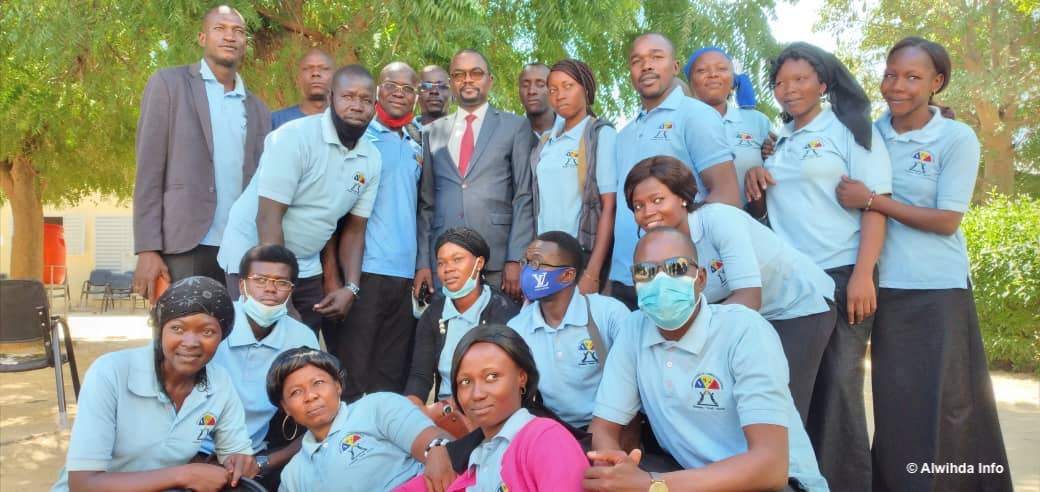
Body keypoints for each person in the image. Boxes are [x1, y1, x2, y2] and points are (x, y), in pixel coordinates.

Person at [834, 37, 1012, 491]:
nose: (897, 85)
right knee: (898, 405)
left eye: (913, 77)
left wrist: (873, 200)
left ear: (937, 83)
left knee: (948, 404)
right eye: (891, 74)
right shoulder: (870, 133)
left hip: (936, 290)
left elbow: (948, 220)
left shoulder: (955, 137)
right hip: (884, 287)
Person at [745, 41, 893, 491]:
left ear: (823, 83)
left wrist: (864, 274)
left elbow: (876, 205)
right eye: (780, 83)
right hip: (792, 284)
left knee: (839, 392)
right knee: (792, 392)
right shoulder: (778, 140)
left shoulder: (851, 131)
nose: (788, 90)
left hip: (842, 274)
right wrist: (756, 176)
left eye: (800, 80)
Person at [584, 228, 828, 492]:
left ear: (700, 279)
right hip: (689, 480)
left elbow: (770, 467)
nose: (660, 281)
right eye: (646, 272)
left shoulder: (744, 330)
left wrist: (653, 485)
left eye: (676, 268)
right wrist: (614, 464)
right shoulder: (634, 329)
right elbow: (603, 426)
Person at [624, 155, 837, 424]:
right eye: (638, 206)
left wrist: (684, 337)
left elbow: (749, 297)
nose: (648, 212)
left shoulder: (720, 220)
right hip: (752, 314)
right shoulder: (657, 246)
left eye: (657, 200)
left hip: (798, 305)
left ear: (682, 197)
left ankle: (787, 465)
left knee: (778, 407)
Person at [217, 65, 381, 339]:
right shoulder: (294, 138)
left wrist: (350, 287)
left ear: (375, 107)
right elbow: (268, 217)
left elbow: (354, 229)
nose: (357, 105)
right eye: (348, 96)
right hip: (254, 257)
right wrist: (281, 293)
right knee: (254, 343)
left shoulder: (372, 158)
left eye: (365, 100)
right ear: (331, 97)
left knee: (301, 347)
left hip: (306, 264)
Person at [53, 276, 256, 492]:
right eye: (177, 329)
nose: (190, 342)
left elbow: (236, 451)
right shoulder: (110, 373)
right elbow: (83, 484)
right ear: (160, 331)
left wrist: (238, 461)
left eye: (207, 332)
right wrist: (184, 474)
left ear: (222, 337)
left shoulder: (219, 383)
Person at [133, 5, 271, 299]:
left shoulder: (258, 108)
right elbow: (148, 171)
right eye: (219, 29)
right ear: (202, 38)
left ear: (245, 42)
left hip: (241, 249)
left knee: (235, 341)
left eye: (238, 31)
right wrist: (147, 248)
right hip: (184, 245)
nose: (229, 36)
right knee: (182, 340)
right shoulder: (169, 84)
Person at [608, 32, 739, 311]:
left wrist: (679, 251)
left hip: (676, 276)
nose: (646, 66)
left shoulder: (695, 115)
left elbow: (727, 196)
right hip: (627, 277)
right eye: (637, 60)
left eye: (656, 57)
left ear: (675, 67)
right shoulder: (624, 134)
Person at [400, 324, 588, 491]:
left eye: (492, 377)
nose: (477, 393)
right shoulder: (471, 456)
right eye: (465, 381)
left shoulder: (545, 439)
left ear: (521, 378)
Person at [415, 48, 537, 303]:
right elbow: (426, 204)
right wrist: (423, 263)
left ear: (490, 80)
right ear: (452, 83)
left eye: (476, 73)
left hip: (497, 261)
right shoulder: (432, 132)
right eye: (459, 75)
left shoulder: (515, 127)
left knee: (495, 338)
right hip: (445, 264)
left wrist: (516, 258)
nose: (467, 80)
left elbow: (524, 196)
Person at [336, 62, 424, 402]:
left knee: (391, 373)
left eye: (407, 89)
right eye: (391, 86)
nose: (399, 94)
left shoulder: (416, 140)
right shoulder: (359, 136)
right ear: (378, 91)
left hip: (404, 276)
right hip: (365, 270)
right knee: (355, 370)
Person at [202, 245, 319, 490]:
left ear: (291, 290)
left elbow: (321, 417)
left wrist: (263, 462)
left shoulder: (301, 338)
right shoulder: (212, 322)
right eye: (260, 280)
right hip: (194, 449)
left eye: (281, 282)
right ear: (242, 285)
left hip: (253, 455)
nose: (270, 288)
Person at [267, 348, 455, 492]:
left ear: (338, 386)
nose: (310, 396)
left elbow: (433, 441)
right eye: (296, 392)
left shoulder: (375, 407)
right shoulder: (293, 475)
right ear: (286, 407)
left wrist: (437, 448)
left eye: (318, 383)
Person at [507, 231, 630, 429]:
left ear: (567, 275)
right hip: (550, 430)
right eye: (526, 263)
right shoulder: (517, 328)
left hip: (610, 426)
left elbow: (631, 382)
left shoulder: (608, 314)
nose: (528, 271)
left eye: (537, 264)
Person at [405, 228, 520, 408]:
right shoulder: (433, 314)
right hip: (446, 412)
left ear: (479, 263)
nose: (448, 269)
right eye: (441, 263)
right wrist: (411, 410)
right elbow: (420, 375)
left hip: (491, 408)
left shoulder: (503, 311)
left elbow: (505, 380)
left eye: (457, 260)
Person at [530, 59, 617, 293]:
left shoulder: (599, 134)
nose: (560, 95)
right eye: (553, 90)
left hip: (580, 256)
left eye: (568, 86)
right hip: (545, 257)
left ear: (586, 89)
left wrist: (592, 273)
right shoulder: (547, 141)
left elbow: (609, 206)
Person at [685, 46, 774, 207]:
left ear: (733, 78)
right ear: (690, 82)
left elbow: (779, 168)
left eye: (722, 68)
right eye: (702, 70)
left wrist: (775, 153)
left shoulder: (757, 121)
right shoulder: (680, 123)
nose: (713, 74)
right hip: (693, 224)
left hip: (751, 224)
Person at [271, 49, 335, 130]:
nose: (316, 73)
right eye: (307, 68)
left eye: (324, 68)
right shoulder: (276, 122)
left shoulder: (348, 122)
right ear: (298, 79)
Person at [518, 62, 557, 139]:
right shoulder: (509, 136)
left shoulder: (577, 131)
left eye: (540, 85)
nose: (531, 91)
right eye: (525, 85)